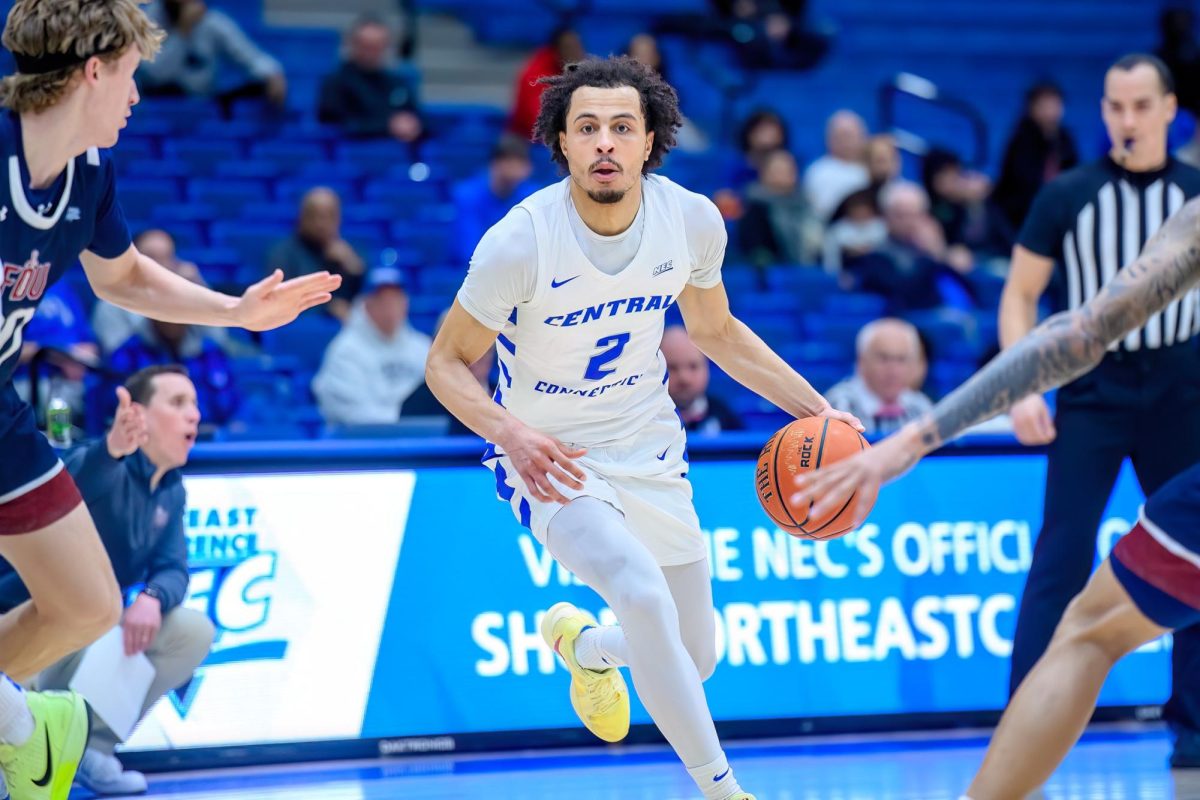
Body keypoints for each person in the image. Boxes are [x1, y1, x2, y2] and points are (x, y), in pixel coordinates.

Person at [425, 56, 859, 800]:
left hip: (649, 442)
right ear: (559, 141)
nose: (604, 143)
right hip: (551, 455)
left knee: (696, 655)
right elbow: (443, 364)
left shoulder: (689, 219)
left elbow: (718, 334)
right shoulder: (520, 242)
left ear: (650, 138)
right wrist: (513, 435)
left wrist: (818, 412)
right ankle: (724, 790)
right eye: (586, 127)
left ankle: (586, 647)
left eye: (622, 127)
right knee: (641, 594)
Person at [0, 3, 338, 796]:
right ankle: (20, 732)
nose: (136, 96)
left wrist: (233, 310)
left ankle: (18, 725)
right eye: (130, 75)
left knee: (85, 603)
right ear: (94, 69)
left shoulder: (87, 173)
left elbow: (119, 277)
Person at [790, 171, 1200, 800]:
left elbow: (1079, 333)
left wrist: (913, 438)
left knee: (1089, 630)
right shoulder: (1082, 196)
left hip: (1168, 393)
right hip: (1112, 402)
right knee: (1072, 591)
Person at [997, 53, 1200, 765]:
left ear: (1171, 108)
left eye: (1142, 105)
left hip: (1184, 384)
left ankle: (1195, 734)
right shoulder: (1068, 194)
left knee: (1198, 560)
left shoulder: (1197, 195)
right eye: (1115, 106)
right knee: (1061, 554)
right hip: (1092, 387)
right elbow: (1020, 294)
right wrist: (1024, 389)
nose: (1128, 119)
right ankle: (1022, 721)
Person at [0, 366, 213, 796]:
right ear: (138, 416)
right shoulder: (100, 461)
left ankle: (92, 749)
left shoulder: (171, 488)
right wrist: (112, 449)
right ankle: (21, 743)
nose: (194, 414)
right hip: (29, 617)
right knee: (92, 612)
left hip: (93, 628)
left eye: (193, 402)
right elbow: (66, 488)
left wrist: (153, 597)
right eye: (177, 403)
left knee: (191, 631)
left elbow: (174, 567)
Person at [313, 267, 431, 426]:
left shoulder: (422, 347)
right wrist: (405, 420)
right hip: (364, 445)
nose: (391, 306)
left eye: (397, 298)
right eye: (382, 299)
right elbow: (352, 414)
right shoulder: (344, 350)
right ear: (366, 303)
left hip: (422, 439)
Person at [138, 0, 286, 115]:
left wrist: (272, 74)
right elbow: (153, 75)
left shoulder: (212, 22)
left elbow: (251, 57)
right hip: (157, 108)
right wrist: (183, 32)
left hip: (202, 108)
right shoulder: (147, 20)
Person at [317, 14, 422, 144]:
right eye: (366, 46)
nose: (372, 53)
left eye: (378, 46)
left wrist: (414, 125)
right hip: (353, 156)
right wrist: (389, 126)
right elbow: (339, 125)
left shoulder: (396, 83)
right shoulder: (335, 83)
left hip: (396, 156)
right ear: (353, 44)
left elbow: (418, 118)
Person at [267, 187, 365, 321]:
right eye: (314, 215)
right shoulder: (284, 254)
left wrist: (354, 270)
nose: (321, 223)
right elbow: (279, 302)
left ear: (338, 218)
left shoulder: (350, 254)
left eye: (328, 215)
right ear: (302, 217)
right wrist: (328, 308)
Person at [992, 82, 1079, 231]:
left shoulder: (1064, 139)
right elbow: (1020, 186)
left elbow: (1075, 174)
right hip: (1022, 216)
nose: (1051, 112)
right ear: (1032, 108)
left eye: (1055, 105)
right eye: (1045, 106)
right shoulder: (1021, 140)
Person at [825, 318, 933, 436]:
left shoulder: (919, 406)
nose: (893, 371)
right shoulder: (839, 405)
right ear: (862, 362)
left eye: (901, 359)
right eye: (883, 358)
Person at [451, 135, 535, 265]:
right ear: (495, 164)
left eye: (520, 163)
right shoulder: (468, 195)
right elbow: (469, 252)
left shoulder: (533, 196)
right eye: (510, 162)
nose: (516, 169)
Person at [660, 326, 743, 434]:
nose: (684, 378)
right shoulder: (642, 417)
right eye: (672, 367)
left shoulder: (724, 415)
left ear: (706, 368)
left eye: (693, 366)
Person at [802, 110, 870, 221]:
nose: (846, 142)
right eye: (840, 136)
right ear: (829, 139)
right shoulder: (817, 172)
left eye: (850, 136)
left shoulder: (873, 169)